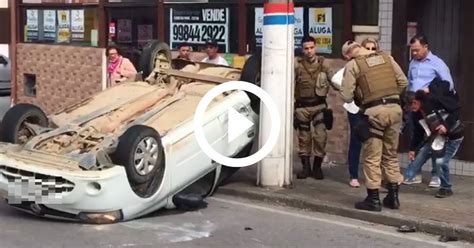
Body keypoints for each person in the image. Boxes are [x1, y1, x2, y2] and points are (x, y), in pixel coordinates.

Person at [340, 40, 408, 211]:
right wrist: (390, 97)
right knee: (390, 154)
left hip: (375, 113)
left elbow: (347, 96)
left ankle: (373, 200)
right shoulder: (387, 58)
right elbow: (403, 82)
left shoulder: (353, 65)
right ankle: (393, 198)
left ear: (348, 55)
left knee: (372, 157)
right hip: (395, 109)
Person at [403, 34, 455, 187]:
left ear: (426, 47)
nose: (414, 53)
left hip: (431, 108)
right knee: (416, 136)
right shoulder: (413, 63)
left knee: (436, 140)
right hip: (415, 106)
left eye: (417, 50)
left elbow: (448, 85)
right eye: (412, 51)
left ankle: (436, 175)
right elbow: (410, 82)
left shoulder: (437, 63)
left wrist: (430, 91)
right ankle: (416, 173)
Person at [403, 79, 463, 198]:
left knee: (441, 161)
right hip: (436, 137)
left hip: (453, 136)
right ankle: (402, 179)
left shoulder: (434, 100)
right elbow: (418, 132)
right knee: (420, 155)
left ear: (415, 102)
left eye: (410, 106)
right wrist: (413, 149)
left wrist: (446, 126)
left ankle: (446, 188)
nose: (410, 110)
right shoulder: (417, 114)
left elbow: (456, 109)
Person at [294, 35, 337, 180]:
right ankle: (306, 167)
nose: (309, 51)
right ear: (302, 49)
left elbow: (334, 80)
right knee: (304, 138)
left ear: (315, 47)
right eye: (306, 48)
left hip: (319, 106)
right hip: (302, 107)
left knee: (320, 137)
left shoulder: (323, 64)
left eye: (311, 48)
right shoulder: (297, 65)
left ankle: (317, 167)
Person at [345, 37, 380, 188]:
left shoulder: (379, 65)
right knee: (356, 140)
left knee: (374, 142)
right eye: (368, 48)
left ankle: (372, 176)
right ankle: (353, 175)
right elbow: (342, 85)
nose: (371, 52)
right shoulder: (353, 65)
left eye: (374, 49)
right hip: (356, 109)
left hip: (373, 108)